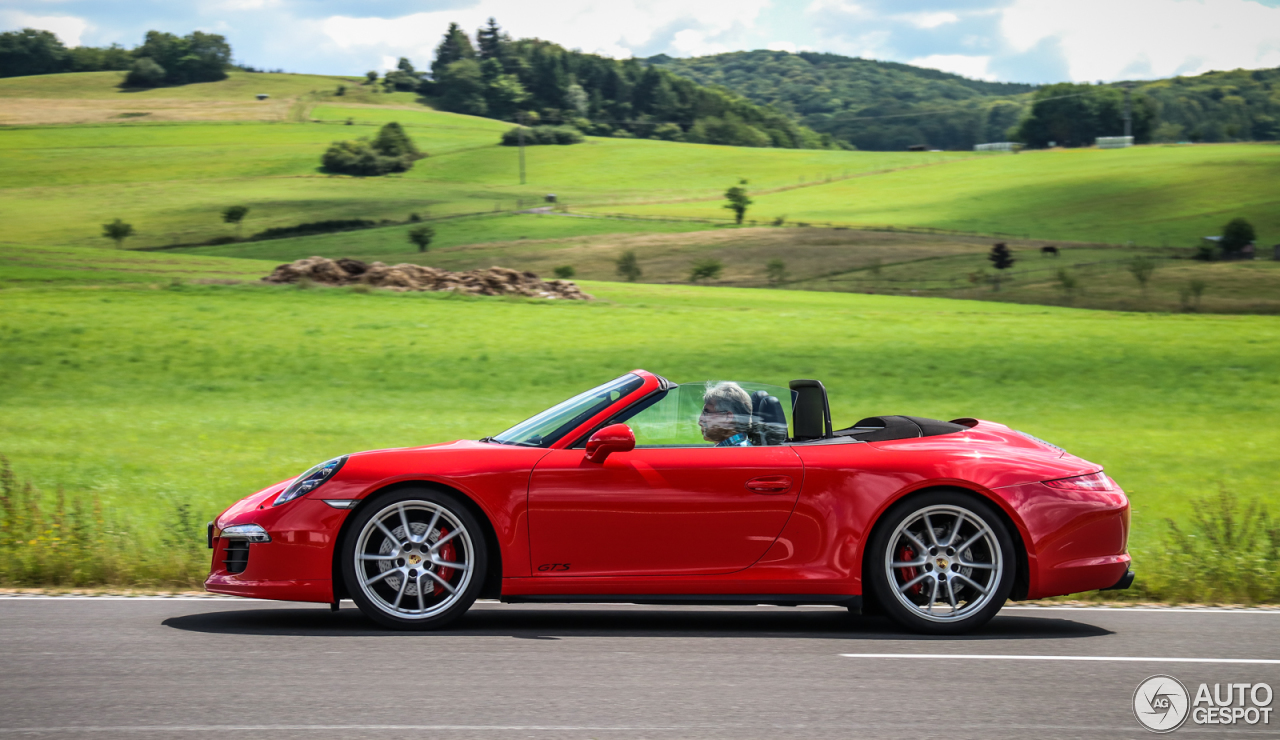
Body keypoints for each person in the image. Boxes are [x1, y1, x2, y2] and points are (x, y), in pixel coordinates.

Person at [699, 381, 753, 447]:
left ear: (727, 417)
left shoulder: (738, 453)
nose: (700, 421)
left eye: (707, 413)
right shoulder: (729, 449)